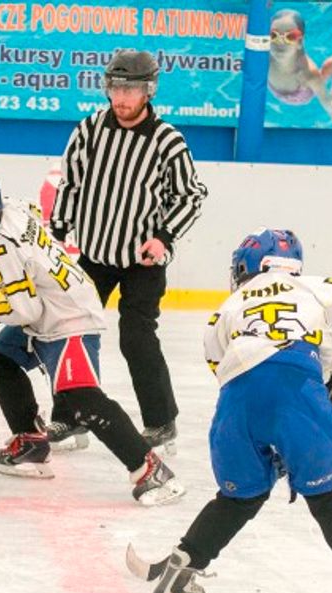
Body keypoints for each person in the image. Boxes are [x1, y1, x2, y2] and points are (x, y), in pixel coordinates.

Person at [126, 228, 332, 593]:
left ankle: (179, 575)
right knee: (327, 491)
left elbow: (216, 358)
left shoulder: (230, 304)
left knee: (240, 496)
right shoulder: (319, 287)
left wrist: (262, 421)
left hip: (237, 398)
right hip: (299, 388)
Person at [0, 170, 185, 507]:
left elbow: (25, 310)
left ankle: (150, 470)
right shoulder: (9, 209)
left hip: (69, 318)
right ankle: (31, 443)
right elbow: (31, 211)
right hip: (57, 303)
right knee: (0, 360)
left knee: (83, 401)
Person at [48, 49, 208, 454]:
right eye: (116, 87)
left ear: (149, 90)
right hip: (93, 255)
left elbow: (191, 196)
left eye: (131, 88)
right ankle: (71, 416)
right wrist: (58, 233)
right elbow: (70, 185)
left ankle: (161, 422)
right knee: (70, 332)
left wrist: (165, 238)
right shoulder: (88, 130)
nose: (121, 97)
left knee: (136, 338)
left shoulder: (167, 140)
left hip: (142, 259)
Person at [266, 9, 332, 111]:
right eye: (274, 35)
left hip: (305, 98)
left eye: (290, 36)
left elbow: (327, 103)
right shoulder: (262, 61)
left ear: (300, 42)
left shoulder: (309, 74)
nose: (280, 42)